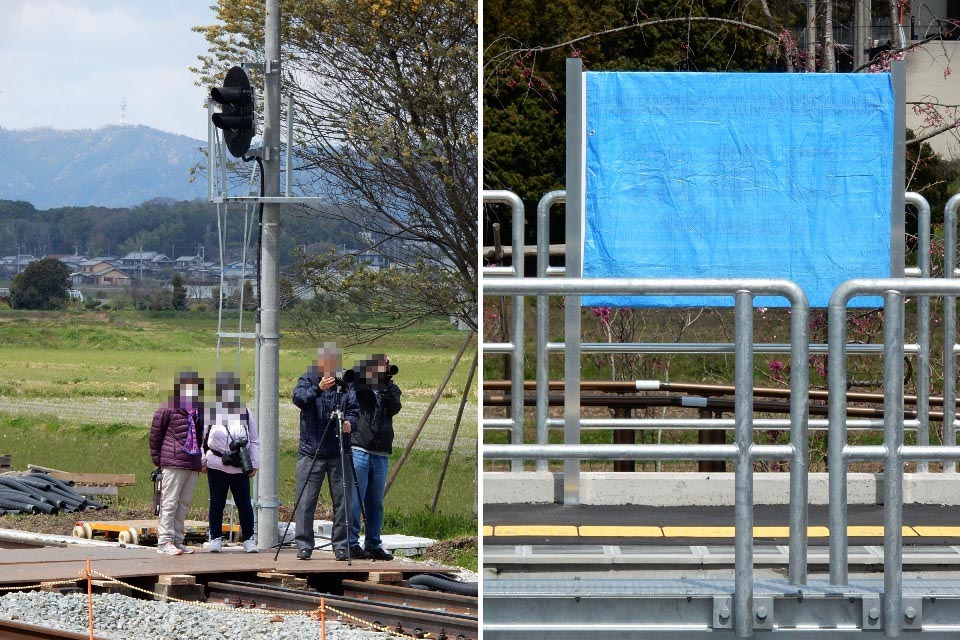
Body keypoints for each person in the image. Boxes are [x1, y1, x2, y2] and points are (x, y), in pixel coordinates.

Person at [292, 344, 360, 561]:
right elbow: (298, 399)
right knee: (306, 501)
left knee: (343, 501)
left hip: (339, 450)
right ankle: (304, 545)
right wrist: (318, 388)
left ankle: (340, 546)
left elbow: (354, 410)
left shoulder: (345, 382)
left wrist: (350, 423)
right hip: (311, 450)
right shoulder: (309, 378)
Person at [348, 354, 402, 561]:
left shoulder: (392, 388)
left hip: (381, 451)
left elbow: (395, 406)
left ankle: (373, 543)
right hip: (360, 447)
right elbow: (351, 378)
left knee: (375, 502)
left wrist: (383, 383)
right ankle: (351, 543)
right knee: (355, 500)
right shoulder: (361, 385)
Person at [202, 371, 260, 553]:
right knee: (216, 503)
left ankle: (249, 538)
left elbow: (254, 440)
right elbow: (201, 438)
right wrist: (202, 460)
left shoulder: (245, 412)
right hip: (216, 463)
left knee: (244, 503)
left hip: (239, 464)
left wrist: (254, 464)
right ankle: (215, 538)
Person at [149, 370, 205, 555]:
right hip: (173, 461)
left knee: (184, 503)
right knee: (170, 502)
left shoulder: (198, 410)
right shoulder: (168, 408)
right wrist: (160, 461)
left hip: (192, 461)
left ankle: (178, 540)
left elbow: (200, 436)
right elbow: (155, 436)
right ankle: (165, 541)